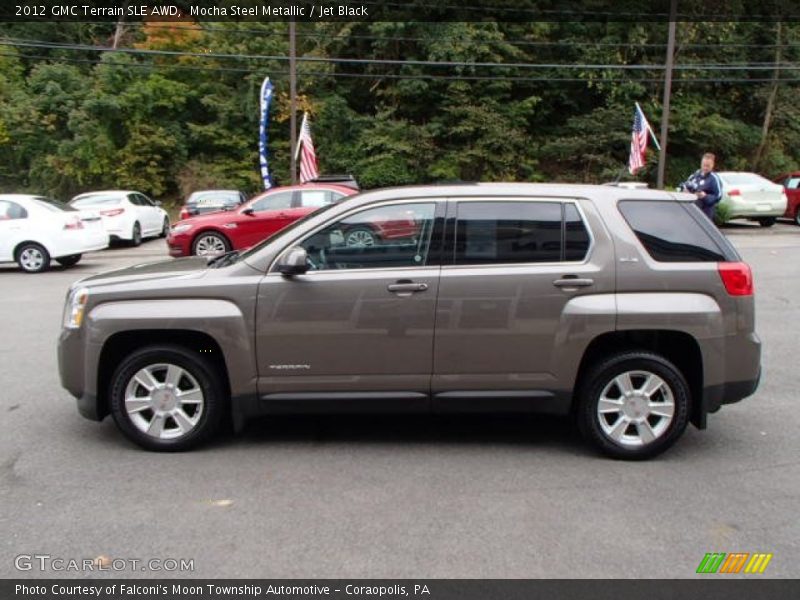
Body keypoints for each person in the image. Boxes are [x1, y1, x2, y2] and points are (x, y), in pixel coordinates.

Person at [680, 153, 722, 221]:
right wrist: (684, 190)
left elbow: (718, 196)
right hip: (692, 211)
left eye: (708, 166)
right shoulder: (696, 174)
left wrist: (705, 196)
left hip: (705, 213)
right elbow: (686, 184)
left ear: (712, 165)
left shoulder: (714, 178)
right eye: (704, 165)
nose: (705, 168)